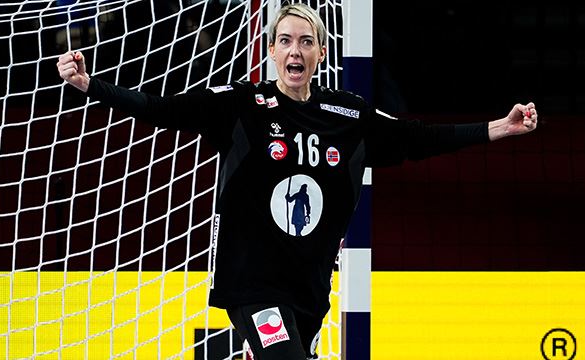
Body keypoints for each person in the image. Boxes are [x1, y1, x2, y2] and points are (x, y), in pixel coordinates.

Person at [57, 3, 537, 359]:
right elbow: (159, 110)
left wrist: (498, 127)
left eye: (305, 41)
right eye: (285, 40)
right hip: (251, 285)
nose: (295, 50)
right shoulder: (241, 105)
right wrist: (89, 86)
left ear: (321, 53)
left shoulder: (347, 114)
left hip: (308, 290)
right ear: (271, 50)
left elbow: (416, 139)